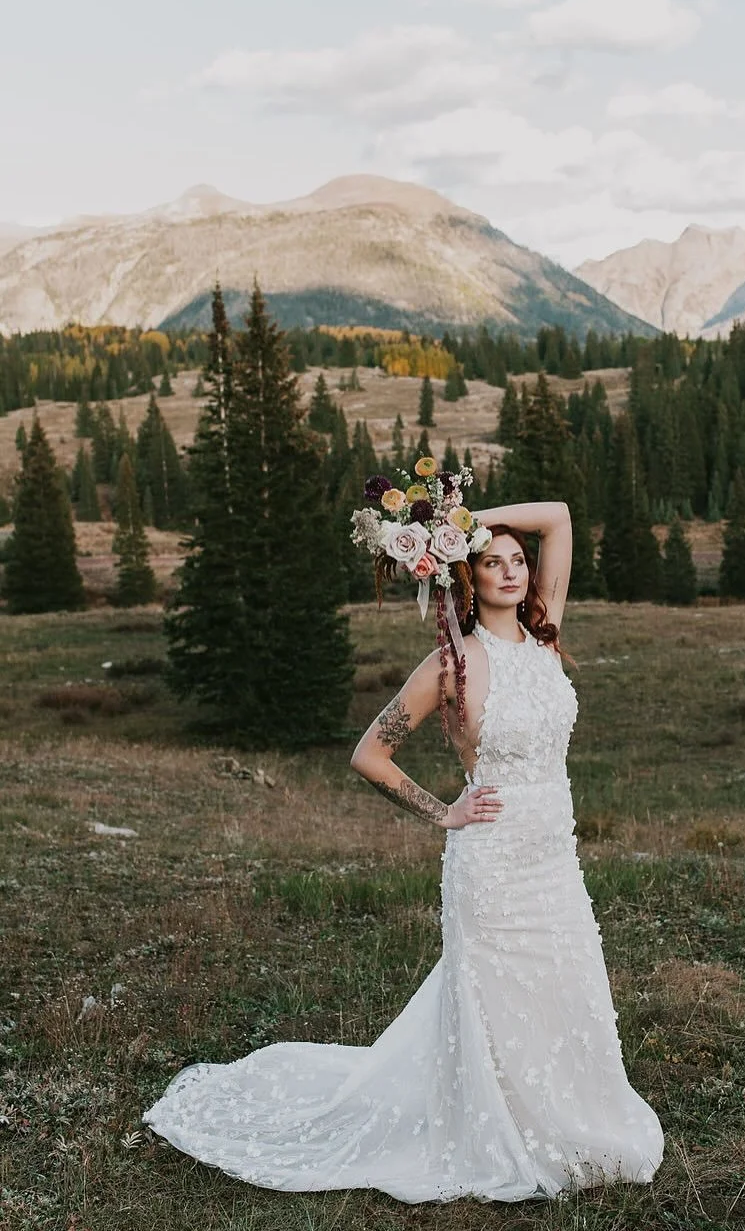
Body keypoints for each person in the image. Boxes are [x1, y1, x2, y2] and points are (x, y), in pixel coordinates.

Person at [143, 500, 664, 1201]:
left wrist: (465, 522)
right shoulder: (453, 663)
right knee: (497, 1000)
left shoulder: (547, 636)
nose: (510, 572)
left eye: (517, 561)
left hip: (554, 858)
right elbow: (371, 754)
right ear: (468, 579)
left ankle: (573, 1118)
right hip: (490, 865)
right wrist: (443, 812)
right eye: (491, 562)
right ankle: (502, 1131)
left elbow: (563, 517)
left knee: (567, 983)